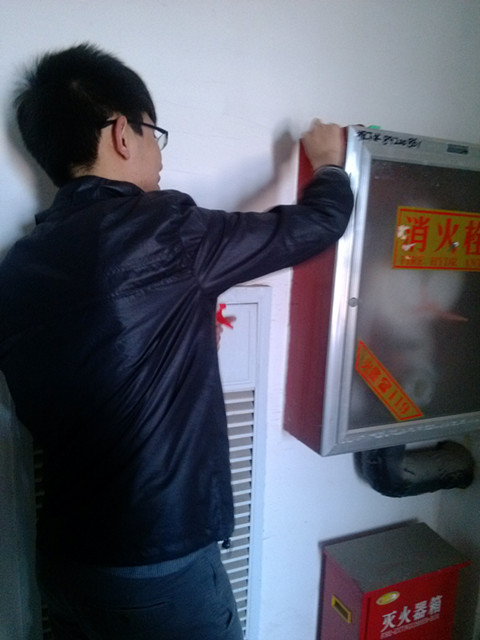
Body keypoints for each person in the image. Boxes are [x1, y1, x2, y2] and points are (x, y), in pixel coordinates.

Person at [0, 43, 353, 639]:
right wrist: (330, 165)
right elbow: (317, 224)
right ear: (122, 134)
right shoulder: (162, 230)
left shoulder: (17, 267)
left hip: (64, 562)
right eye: (154, 133)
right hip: (161, 568)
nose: (159, 153)